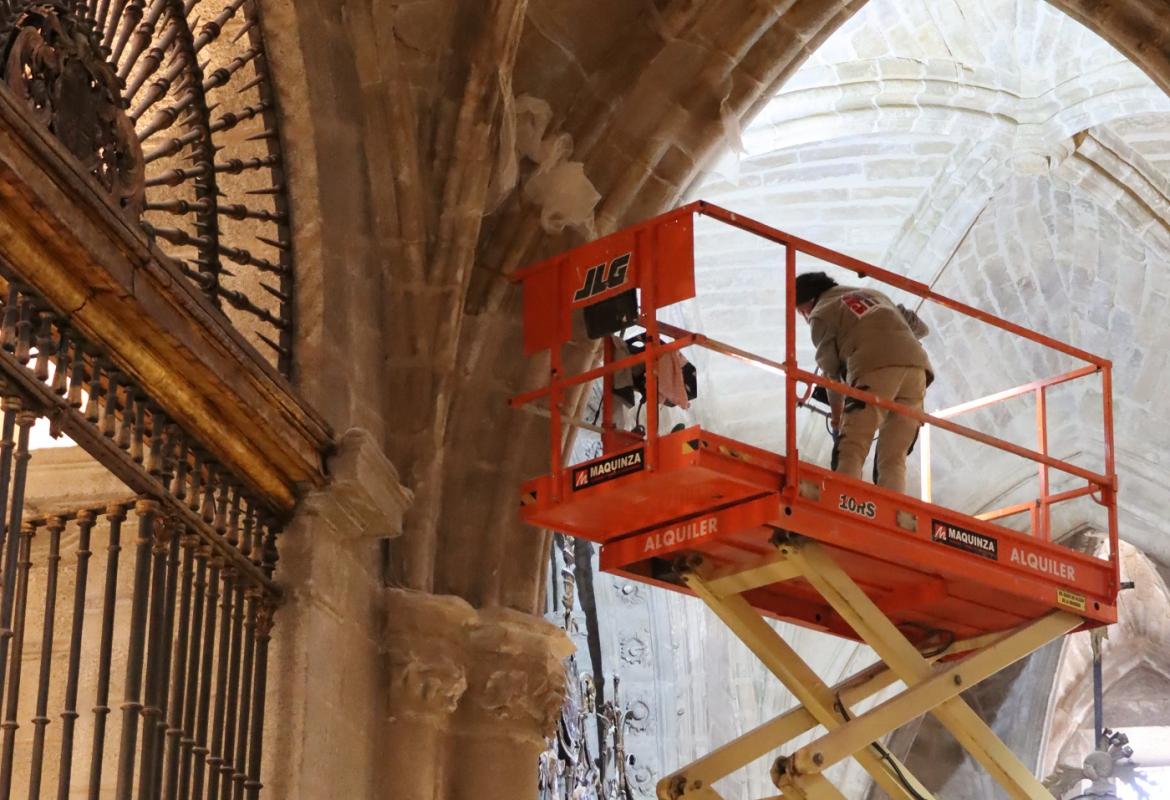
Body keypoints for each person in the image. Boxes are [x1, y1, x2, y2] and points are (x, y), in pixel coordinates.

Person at [794, 272, 933, 494]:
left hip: (873, 369)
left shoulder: (821, 313)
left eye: (802, 311)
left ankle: (844, 501)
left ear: (809, 301)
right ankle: (894, 513)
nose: (804, 317)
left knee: (851, 446)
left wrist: (838, 421)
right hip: (917, 371)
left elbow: (832, 378)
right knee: (894, 456)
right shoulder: (875, 294)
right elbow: (921, 329)